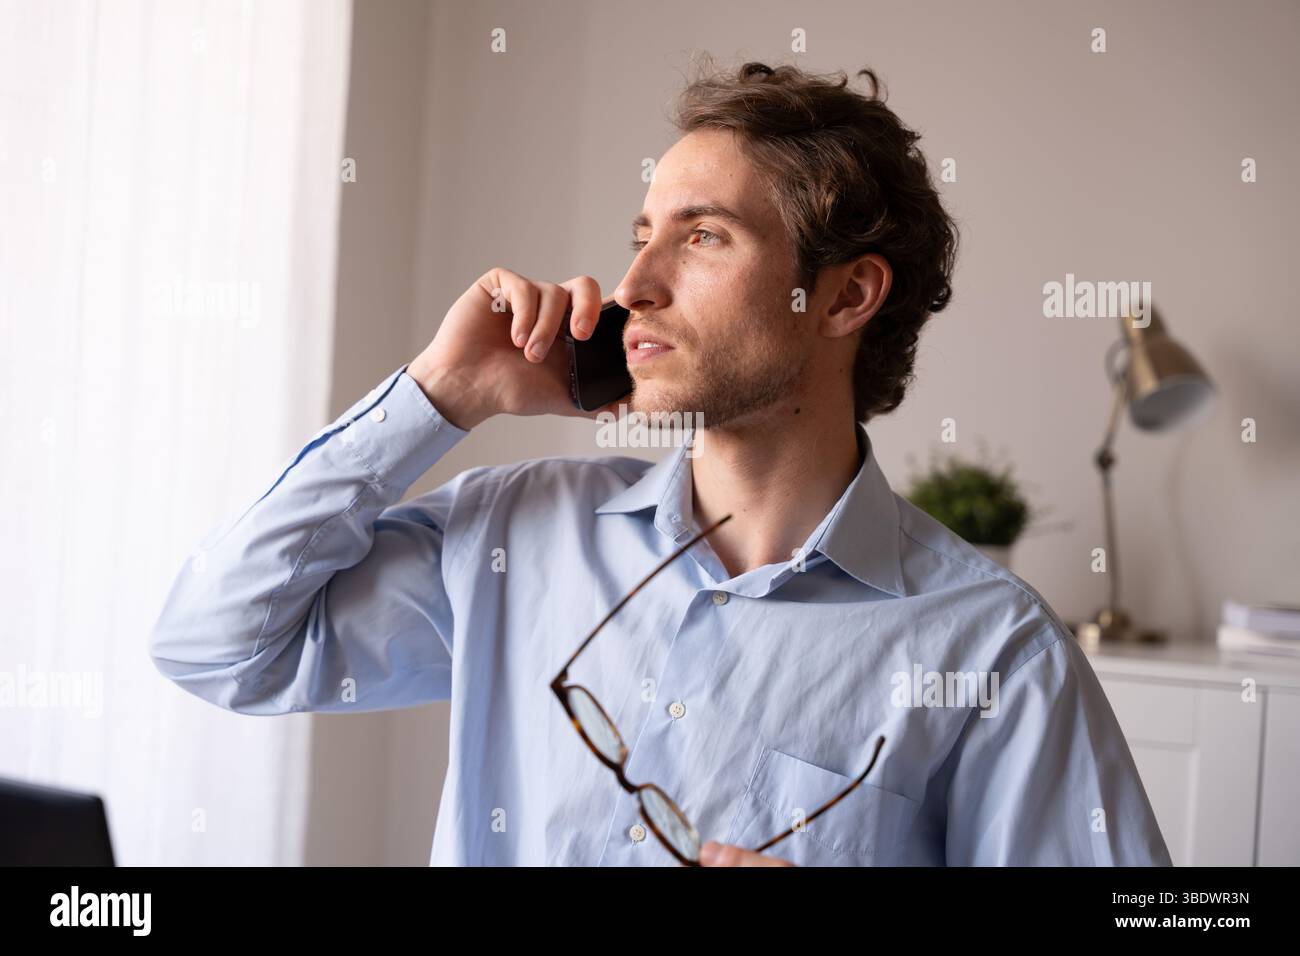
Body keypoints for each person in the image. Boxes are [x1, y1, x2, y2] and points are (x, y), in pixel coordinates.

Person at [150, 59, 1171, 867]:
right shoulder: (516, 535)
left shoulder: (993, 652)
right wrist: (435, 397)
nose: (633, 281)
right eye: (643, 234)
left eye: (704, 236)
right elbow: (215, 645)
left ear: (846, 297)